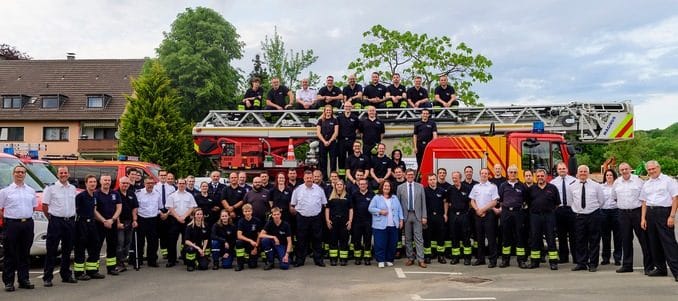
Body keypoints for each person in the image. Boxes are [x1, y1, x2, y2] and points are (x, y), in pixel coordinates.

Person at [1, 165, 38, 291]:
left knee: (25, 253)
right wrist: (9, 219)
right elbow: (1, 209)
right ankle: (9, 282)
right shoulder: (5, 192)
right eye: (17, 172)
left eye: (22, 172)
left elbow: (33, 207)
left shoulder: (31, 190)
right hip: (12, 224)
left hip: (27, 224)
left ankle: (24, 280)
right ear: (13, 174)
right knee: (10, 253)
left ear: (25, 174)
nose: (20, 174)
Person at [640, 160, 678, 282]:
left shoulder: (668, 181)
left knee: (669, 243)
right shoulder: (647, 183)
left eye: (653, 169)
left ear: (658, 167)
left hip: (664, 213)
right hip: (650, 213)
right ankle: (661, 268)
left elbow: (675, 198)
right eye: (649, 170)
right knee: (654, 243)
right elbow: (644, 202)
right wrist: (643, 218)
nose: (651, 171)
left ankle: (677, 271)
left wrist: (672, 216)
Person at [613, 162, 653, 274]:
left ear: (630, 169)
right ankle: (627, 265)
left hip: (637, 212)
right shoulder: (617, 183)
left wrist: (643, 217)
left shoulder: (639, 181)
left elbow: (645, 198)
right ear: (619, 171)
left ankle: (649, 267)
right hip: (623, 214)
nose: (624, 171)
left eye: (626, 169)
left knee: (644, 240)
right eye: (622, 170)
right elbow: (614, 197)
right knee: (625, 240)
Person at [42, 166, 78, 287]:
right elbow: (45, 206)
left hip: (70, 222)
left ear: (68, 174)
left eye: (65, 173)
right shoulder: (51, 188)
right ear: (57, 175)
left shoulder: (72, 188)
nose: (63, 175)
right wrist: (51, 219)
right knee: (51, 250)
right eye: (61, 173)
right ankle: (47, 277)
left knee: (67, 250)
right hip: (56, 221)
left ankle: (66, 275)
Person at [568, 165, 605, 272]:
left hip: (593, 215)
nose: (583, 173)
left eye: (585, 171)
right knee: (580, 240)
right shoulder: (572, 186)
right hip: (579, 216)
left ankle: (593, 264)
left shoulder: (596, 186)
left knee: (594, 240)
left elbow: (601, 201)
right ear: (577, 173)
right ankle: (581, 263)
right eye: (581, 171)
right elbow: (571, 202)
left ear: (588, 173)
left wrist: (592, 209)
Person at [290, 170, 328, 267]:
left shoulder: (319, 189)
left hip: (316, 218)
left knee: (317, 239)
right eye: (307, 178)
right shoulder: (298, 190)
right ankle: (300, 260)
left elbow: (324, 203)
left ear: (313, 178)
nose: (309, 180)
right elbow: (293, 204)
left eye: (310, 178)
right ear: (303, 178)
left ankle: (318, 259)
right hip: (302, 218)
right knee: (301, 239)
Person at [525, 169, 560, 270]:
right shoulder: (531, 189)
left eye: (542, 176)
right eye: (538, 176)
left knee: (551, 239)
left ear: (546, 177)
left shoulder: (552, 188)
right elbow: (527, 202)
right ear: (536, 177)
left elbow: (557, 203)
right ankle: (534, 262)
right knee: (535, 239)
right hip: (535, 216)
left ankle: (553, 262)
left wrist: (549, 211)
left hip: (549, 216)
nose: (540, 177)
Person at [73, 175, 106, 281]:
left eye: (94, 182)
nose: (93, 184)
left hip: (92, 224)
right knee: (80, 248)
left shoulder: (94, 196)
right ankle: (79, 273)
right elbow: (75, 211)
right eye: (90, 182)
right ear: (86, 183)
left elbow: (94, 211)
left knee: (95, 246)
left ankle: (92, 271)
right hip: (81, 224)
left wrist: (103, 220)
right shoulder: (80, 196)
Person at [497, 165, 528, 269]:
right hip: (506, 213)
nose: (513, 174)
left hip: (518, 213)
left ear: (517, 173)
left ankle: (521, 260)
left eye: (515, 172)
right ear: (507, 173)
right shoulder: (503, 185)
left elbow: (525, 199)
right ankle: (505, 260)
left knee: (520, 236)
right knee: (506, 237)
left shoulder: (522, 186)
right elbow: (500, 199)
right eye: (511, 172)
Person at [369, 180, 404, 268]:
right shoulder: (377, 197)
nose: (386, 187)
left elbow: (399, 209)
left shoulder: (394, 198)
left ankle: (389, 259)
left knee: (392, 243)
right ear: (382, 187)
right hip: (380, 226)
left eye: (388, 186)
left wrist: (401, 220)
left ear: (390, 188)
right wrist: (380, 211)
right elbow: (370, 208)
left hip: (393, 225)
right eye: (385, 186)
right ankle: (380, 260)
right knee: (380, 243)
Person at [397, 168, 428, 268]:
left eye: (412, 175)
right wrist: (400, 218)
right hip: (406, 216)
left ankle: (421, 259)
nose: (410, 176)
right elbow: (398, 204)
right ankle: (410, 258)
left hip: (417, 215)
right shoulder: (400, 188)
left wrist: (424, 216)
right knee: (408, 239)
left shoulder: (420, 186)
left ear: (414, 176)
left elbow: (424, 202)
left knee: (419, 238)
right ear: (405, 176)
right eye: (408, 175)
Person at [470, 168, 500, 268]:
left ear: (488, 175)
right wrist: (477, 210)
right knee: (479, 238)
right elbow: (472, 201)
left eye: (486, 173)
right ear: (480, 174)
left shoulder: (492, 187)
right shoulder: (475, 187)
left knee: (491, 238)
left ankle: (493, 260)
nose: (484, 175)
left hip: (489, 214)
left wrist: (482, 210)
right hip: (478, 215)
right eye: (482, 173)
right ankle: (480, 259)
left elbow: (494, 202)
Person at [94, 174, 122, 275]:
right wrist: (104, 221)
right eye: (105, 180)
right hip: (99, 224)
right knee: (97, 246)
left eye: (109, 180)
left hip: (112, 223)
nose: (107, 182)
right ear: (100, 182)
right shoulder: (96, 194)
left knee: (112, 246)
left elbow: (119, 208)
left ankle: (111, 268)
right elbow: (94, 210)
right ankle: (94, 269)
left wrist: (112, 220)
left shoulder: (115, 194)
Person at [165, 178, 197, 268]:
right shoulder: (172, 196)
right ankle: (172, 260)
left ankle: (186, 258)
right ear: (177, 184)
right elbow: (170, 208)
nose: (181, 185)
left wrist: (184, 216)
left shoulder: (189, 195)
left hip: (186, 220)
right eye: (180, 183)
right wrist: (178, 217)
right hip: (174, 220)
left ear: (185, 184)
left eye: (183, 183)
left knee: (186, 240)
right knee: (172, 241)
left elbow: (192, 207)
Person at [549, 162, 577, 263]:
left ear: (567, 169)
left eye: (563, 168)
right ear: (557, 170)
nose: (562, 170)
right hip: (559, 210)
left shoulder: (574, 181)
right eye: (560, 169)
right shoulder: (553, 183)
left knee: (574, 235)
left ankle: (576, 257)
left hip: (571, 210)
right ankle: (563, 257)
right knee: (561, 235)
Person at [134, 177, 163, 268]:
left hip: (153, 220)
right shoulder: (138, 193)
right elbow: (135, 208)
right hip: (142, 219)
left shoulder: (157, 194)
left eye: (152, 183)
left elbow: (159, 207)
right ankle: (139, 260)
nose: (150, 185)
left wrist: (161, 213)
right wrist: (135, 219)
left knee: (153, 242)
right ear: (144, 184)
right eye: (148, 183)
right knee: (140, 242)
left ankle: (152, 260)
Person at [325, 180, 353, 266]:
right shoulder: (331, 196)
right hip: (333, 221)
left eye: (341, 184)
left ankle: (343, 259)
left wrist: (350, 221)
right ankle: (333, 259)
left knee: (344, 241)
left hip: (344, 222)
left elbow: (351, 209)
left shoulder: (348, 196)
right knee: (333, 241)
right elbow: (327, 209)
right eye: (338, 184)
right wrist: (327, 220)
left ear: (344, 186)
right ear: (335, 186)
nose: (339, 186)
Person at [447, 171, 472, 265]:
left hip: (464, 215)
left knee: (466, 237)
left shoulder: (467, 188)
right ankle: (455, 257)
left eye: (456, 177)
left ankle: (467, 258)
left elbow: (471, 203)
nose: (454, 179)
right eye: (453, 178)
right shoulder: (450, 189)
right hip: (453, 216)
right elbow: (447, 202)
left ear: (460, 178)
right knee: (454, 237)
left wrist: (467, 213)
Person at [116, 177, 138, 272]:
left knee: (128, 242)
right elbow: (115, 210)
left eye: (127, 183)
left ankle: (123, 259)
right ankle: (119, 263)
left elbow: (134, 208)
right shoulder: (115, 194)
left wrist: (134, 220)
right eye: (123, 183)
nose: (125, 185)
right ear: (119, 183)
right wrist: (117, 222)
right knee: (120, 242)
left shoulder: (131, 194)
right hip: (120, 222)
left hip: (129, 222)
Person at [423, 174, 447, 264]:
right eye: (430, 179)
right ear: (428, 181)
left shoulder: (441, 190)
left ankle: (441, 256)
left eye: (433, 179)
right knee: (427, 237)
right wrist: (423, 216)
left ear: (436, 180)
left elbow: (445, 203)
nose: (432, 181)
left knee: (440, 236)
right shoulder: (424, 191)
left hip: (439, 217)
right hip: (428, 217)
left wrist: (445, 214)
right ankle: (427, 256)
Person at [600, 169, 622, 266]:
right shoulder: (601, 187)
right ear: (605, 176)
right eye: (607, 175)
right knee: (605, 237)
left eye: (611, 175)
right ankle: (605, 258)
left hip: (616, 211)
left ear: (614, 176)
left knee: (618, 236)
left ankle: (617, 258)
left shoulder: (618, 186)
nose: (609, 177)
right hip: (604, 212)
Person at [351, 178, 375, 265]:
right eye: (361, 184)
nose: (362, 185)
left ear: (367, 185)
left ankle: (367, 257)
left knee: (367, 240)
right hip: (357, 221)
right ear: (358, 185)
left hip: (368, 221)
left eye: (364, 184)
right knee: (357, 240)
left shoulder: (372, 194)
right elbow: (351, 208)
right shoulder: (354, 194)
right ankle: (357, 257)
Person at [154, 169, 176, 261]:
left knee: (169, 234)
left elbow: (174, 203)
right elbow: (154, 202)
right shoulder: (155, 187)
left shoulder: (172, 188)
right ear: (158, 176)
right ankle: (164, 252)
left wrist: (167, 213)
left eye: (164, 175)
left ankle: (169, 253)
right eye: (161, 175)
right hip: (159, 213)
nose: (163, 177)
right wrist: (161, 213)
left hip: (169, 213)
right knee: (161, 234)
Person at [235, 204, 263, 271]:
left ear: (252, 211)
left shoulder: (257, 221)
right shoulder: (241, 221)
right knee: (238, 242)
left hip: (254, 244)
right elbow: (239, 236)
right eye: (245, 211)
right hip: (245, 242)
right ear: (243, 212)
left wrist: (256, 248)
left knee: (252, 266)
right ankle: (240, 264)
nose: (247, 213)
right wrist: (250, 240)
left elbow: (260, 235)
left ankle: (248, 256)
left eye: (249, 211)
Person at [337, 101, 360, 176]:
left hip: (351, 141)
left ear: (351, 107)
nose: (347, 108)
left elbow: (357, 129)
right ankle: (342, 178)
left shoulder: (355, 117)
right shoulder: (339, 117)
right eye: (346, 106)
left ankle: (352, 176)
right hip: (341, 141)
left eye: (349, 106)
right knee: (341, 159)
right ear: (344, 107)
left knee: (352, 159)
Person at [316, 105, 339, 176]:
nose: (328, 111)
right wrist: (324, 141)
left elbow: (336, 132)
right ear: (324, 111)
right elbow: (318, 133)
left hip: (332, 143)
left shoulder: (335, 120)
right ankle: (324, 177)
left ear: (332, 111)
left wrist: (330, 141)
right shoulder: (320, 121)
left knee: (333, 160)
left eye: (329, 110)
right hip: (323, 142)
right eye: (327, 110)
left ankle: (333, 177)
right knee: (323, 161)